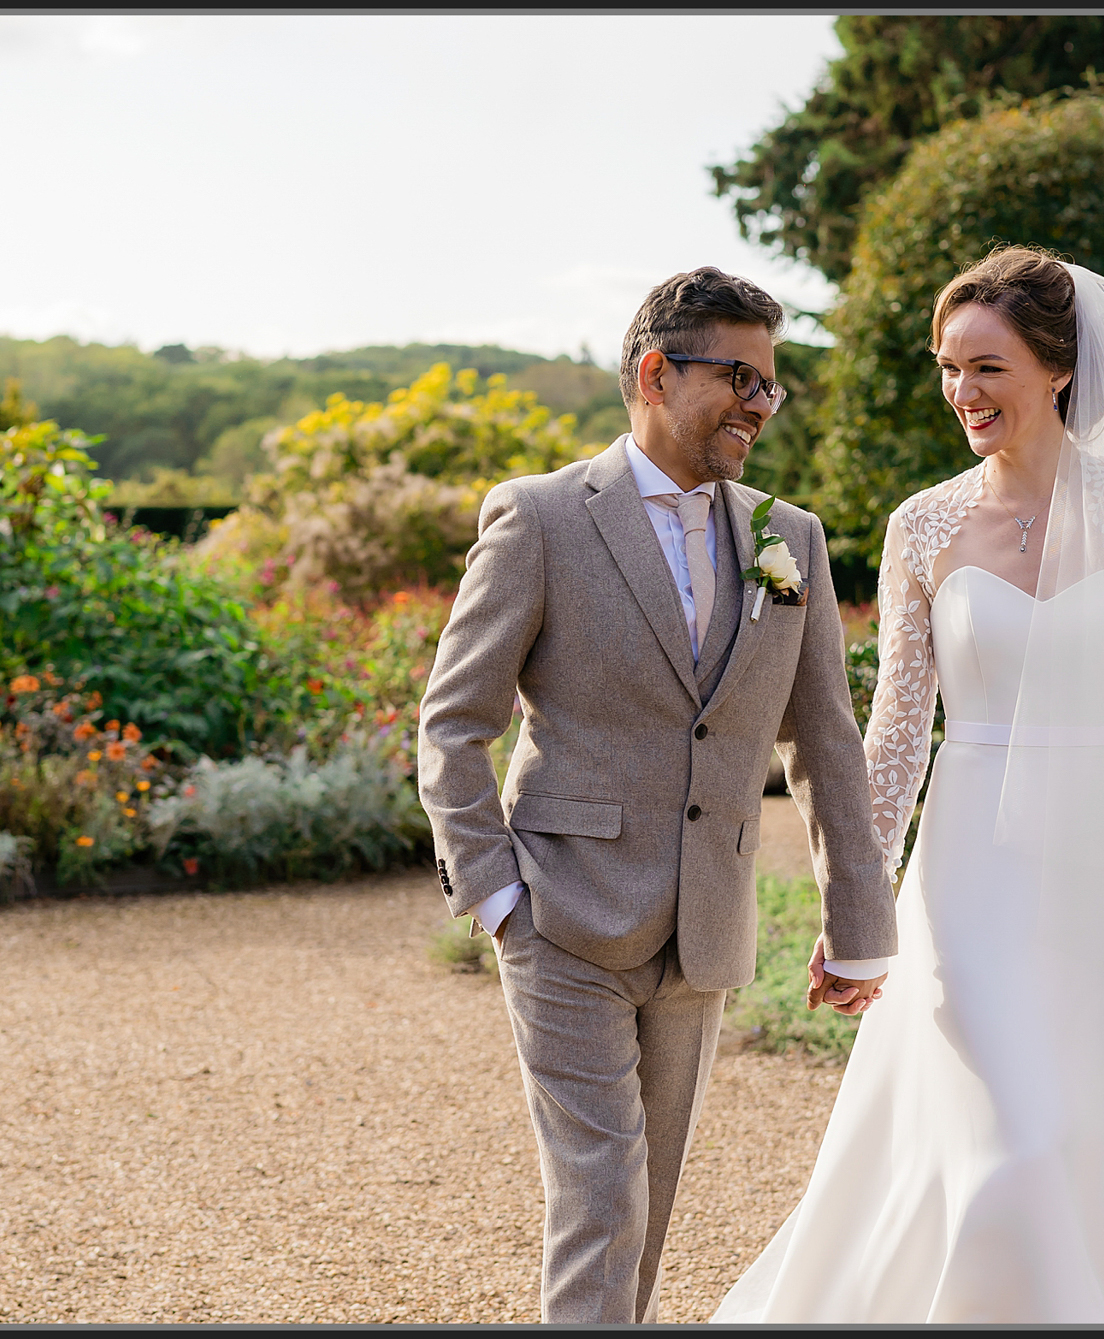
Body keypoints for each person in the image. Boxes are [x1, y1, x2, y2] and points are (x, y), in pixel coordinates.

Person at [713, 246, 1104, 1324]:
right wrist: (855, 900)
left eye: (986, 366)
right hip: (971, 866)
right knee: (1007, 1143)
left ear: (1057, 370)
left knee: (1089, 1140)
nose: (961, 392)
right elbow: (889, 733)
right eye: (947, 367)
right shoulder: (920, 526)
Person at [416, 267, 898, 1324]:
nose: (759, 406)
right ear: (651, 371)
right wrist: (496, 898)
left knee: (650, 1203)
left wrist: (857, 922)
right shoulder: (540, 518)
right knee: (600, 1198)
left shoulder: (789, 537)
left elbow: (822, 735)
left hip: (704, 928)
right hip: (562, 913)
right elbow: (453, 722)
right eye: (738, 378)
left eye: (771, 386)